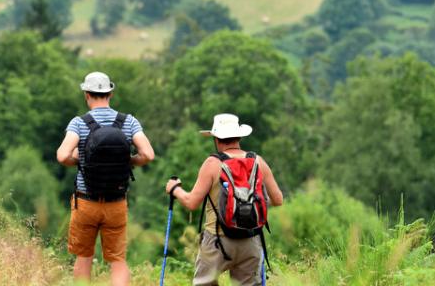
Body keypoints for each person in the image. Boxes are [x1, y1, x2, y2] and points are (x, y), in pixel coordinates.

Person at [57, 71, 155, 285]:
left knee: (84, 257)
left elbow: (62, 155)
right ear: (110, 93)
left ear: (87, 95)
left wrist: (79, 160)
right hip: (116, 203)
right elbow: (148, 154)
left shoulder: (79, 123)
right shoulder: (128, 122)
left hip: (85, 202)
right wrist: (129, 161)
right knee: (118, 261)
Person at [165, 113, 283, 286]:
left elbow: (191, 203)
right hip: (250, 240)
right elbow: (278, 199)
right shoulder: (257, 161)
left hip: (217, 241)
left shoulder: (213, 164)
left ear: (216, 139)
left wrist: (175, 189)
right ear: (239, 136)